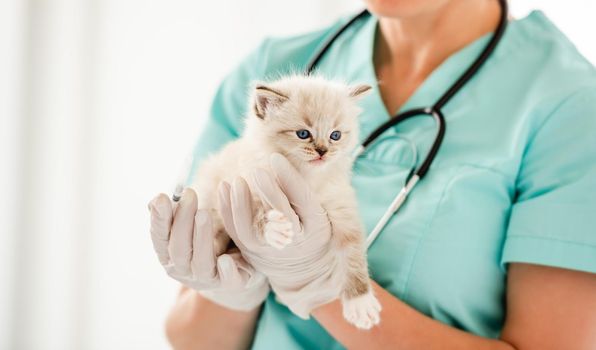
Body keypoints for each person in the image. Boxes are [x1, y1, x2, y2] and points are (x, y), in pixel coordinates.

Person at [148, 0, 596, 348]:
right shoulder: (271, 76)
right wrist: (234, 292)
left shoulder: (568, 106)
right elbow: (189, 338)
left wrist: (321, 284)